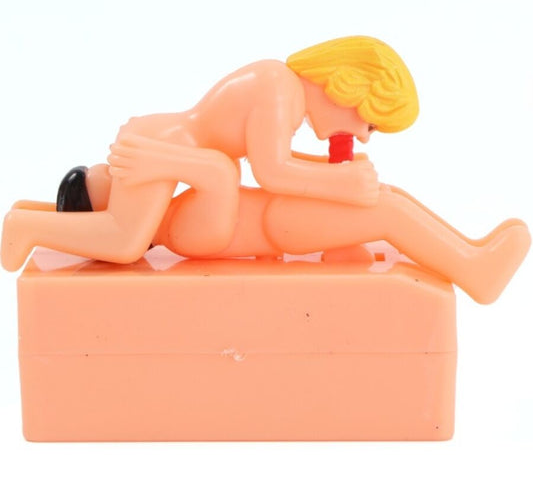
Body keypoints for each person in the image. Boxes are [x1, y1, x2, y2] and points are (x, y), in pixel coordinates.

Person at [1, 36, 530, 304]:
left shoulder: (281, 89)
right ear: (349, 88)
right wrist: (338, 180)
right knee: (125, 239)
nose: (365, 135)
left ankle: (471, 254)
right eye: (370, 121)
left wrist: (336, 176)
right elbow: (269, 172)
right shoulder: (277, 90)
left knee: (384, 200)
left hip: (189, 159)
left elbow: (261, 167)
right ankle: (24, 225)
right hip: (172, 147)